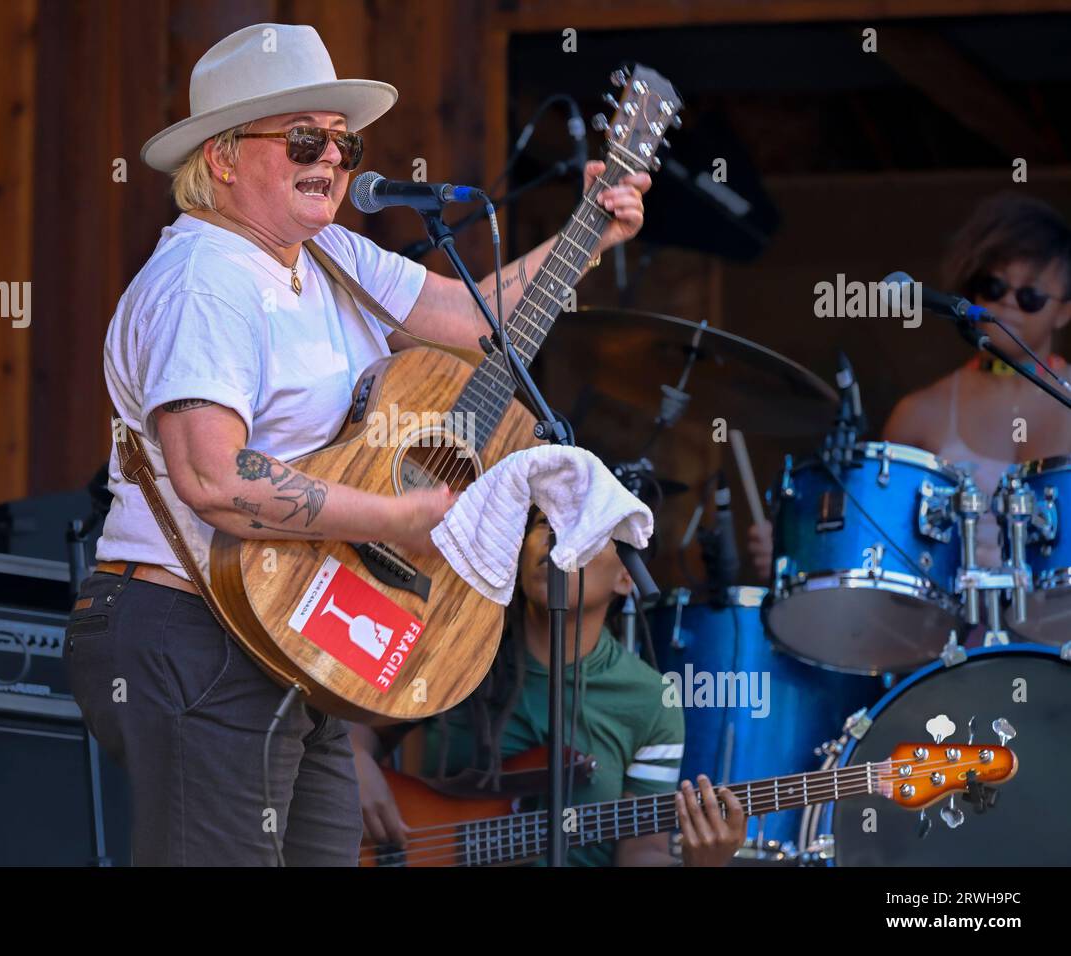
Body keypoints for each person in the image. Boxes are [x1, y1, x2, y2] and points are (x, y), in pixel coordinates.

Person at [64, 22, 652, 866]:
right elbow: (214, 477)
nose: (334, 160)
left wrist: (586, 235)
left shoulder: (330, 252)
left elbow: (475, 322)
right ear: (225, 157)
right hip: (189, 623)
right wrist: (392, 515)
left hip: (287, 625)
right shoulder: (205, 281)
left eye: (346, 142)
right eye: (307, 138)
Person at [353, 509, 748, 867]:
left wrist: (702, 865)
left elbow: (642, 851)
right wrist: (355, 761)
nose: (556, 534)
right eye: (544, 521)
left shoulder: (652, 700)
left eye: (585, 527)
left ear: (626, 577)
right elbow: (357, 730)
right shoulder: (460, 653)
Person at [749, 194, 1071, 579]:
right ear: (972, 293)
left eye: (1030, 295)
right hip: (954, 635)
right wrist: (798, 549)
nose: (1008, 304)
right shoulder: (920, 412)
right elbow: (878, 551)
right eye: (993, 286)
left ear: (1065, 312)